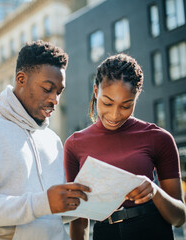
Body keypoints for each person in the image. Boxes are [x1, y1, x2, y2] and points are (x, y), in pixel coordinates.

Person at [0, 40, 91, 239]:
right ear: (21, 79)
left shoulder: (53, 140)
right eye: (47, 88)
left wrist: (86, 201)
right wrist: (43, 203)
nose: (55, 99)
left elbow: (51, 213)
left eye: (59, 92)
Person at [64, 53, 186, 240]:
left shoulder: (159, 138)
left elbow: (179, 218)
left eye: (126, 106)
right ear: (96, 92)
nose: (114, 115)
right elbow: (79, 219)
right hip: (104, 233)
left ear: (136, 98)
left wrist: (155, 192)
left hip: (152, 230)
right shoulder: (74, 145)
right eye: (107, 103)